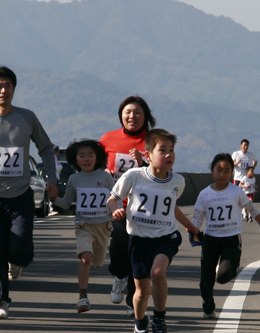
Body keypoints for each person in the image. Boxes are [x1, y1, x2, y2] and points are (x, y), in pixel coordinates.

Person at [0, 66, 58, 320]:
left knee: (20, 250)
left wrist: (51, 179)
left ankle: (18, 260)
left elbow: (46, 148)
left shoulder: (27, 117)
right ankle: (0, 301)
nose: (3, 91)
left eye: (8, 86)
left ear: (14, 89)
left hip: (21, 195)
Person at [107, 129, 200, 333]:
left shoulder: (177, 182)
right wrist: (116, 210)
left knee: (158, 273)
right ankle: (140, 322)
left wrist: (190, 226)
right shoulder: (134, 176)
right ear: (148, 155)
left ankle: (159, 319)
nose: (169, 155)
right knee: (141, 291)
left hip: (165, 238)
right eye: (163, 150)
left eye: (172, 150)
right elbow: (112, 198)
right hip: (139, 240)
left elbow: (170, 208)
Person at [192, 153, 260, 319]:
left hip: (231, 240)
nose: (222, 174)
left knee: (224, 276)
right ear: (212, 171)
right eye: (219, 170)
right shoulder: (204, 194)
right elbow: (198, 217)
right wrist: (193, 230)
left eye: (227, 170)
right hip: (211, 241)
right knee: (205, 282)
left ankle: (223, 269)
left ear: (231, 173)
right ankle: (208, 306)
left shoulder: (236, 192)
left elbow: (252, 210)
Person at [99, 96, 156, 316]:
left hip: (144, 206)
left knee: (138, 253)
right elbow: (97, 162)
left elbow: (163, 171)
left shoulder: (153, 139)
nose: (132, 116)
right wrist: (102, 171)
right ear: (121, 114)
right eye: (128, 112)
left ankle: (134, 302)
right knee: (120, 243)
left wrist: (143, 164)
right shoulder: (108, 138)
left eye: (138, 112)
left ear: (146, 116)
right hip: (118, 203)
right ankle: (119, 275)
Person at [50, 139, 114, 313]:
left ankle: (92, 264)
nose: (86, 159)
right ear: (75, 159)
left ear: (97, 158)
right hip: (83, 225)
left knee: (97, 262)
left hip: (103, 226)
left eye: (90, 155)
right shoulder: (74, 178)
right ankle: (83, 297)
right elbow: (66, 203)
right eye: (82, 155)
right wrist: (54, 198)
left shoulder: (105, 177)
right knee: (85, 258)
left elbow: (114, 200)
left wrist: (118, 212)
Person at [48, 144, 62, 216]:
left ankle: (54, 208)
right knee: (52, 192)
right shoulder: (53, 158)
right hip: (54, 177)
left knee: (55, 193)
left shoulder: (55, 158)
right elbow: (56, 168)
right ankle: (51, 208)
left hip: (56, 177)